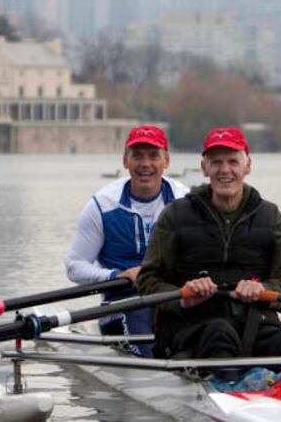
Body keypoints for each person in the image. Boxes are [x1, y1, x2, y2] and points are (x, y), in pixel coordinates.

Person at [136, 127, 281, 360]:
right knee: (220, 333)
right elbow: (147, 281)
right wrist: (183, 297)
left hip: (253, 323)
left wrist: (263, 289)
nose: (225, 170)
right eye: (216, 162)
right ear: (204, 168)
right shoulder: (175, 215)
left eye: (233, 162)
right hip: (190, 326)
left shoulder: (270, 216)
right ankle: (233, 385)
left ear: (248, 166)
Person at [66, 125, 189, 356]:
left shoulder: (185, 200)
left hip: (173, 299)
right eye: (137, 155)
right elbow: (74, 267)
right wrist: (115, 275)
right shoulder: (102, 206)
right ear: (125, 160)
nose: (145, 164)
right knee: (139, 320)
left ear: (166, 161)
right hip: (123, 302)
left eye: (153, 155)